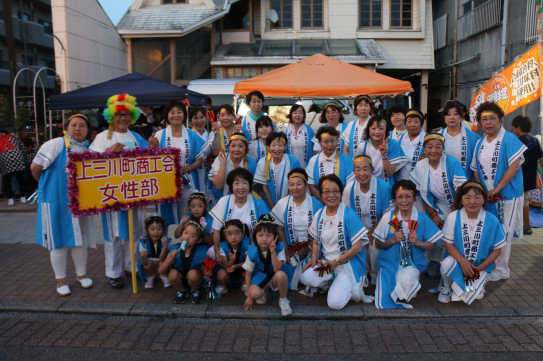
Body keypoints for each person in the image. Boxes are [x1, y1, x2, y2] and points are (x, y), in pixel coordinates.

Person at [89, 94, 157, 289]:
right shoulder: (103, 137)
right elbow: (89, 164)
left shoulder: (137, 136)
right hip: (111, 195)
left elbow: (149, 163)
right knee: (113, 236)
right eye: (119, 115)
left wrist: (153, 148)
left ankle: (132, 267)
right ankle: (113, 273)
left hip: (134, 194)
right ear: (111, 116)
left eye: (127, 115)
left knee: (134, 233)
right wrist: (108, 153)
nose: (123, 118)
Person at [31, 114, 96, 296]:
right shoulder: (55, 144)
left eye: (82, 126)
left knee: (79, 241)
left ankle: (82, 276)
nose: (77, 129)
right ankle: (61, 281)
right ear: (67, 127)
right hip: (56, 201)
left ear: (87, 130)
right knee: (58, 243)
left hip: (81, 202)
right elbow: (35, 168)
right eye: (74, 125)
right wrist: (47, 187)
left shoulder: (88, 148)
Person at [471, 101, 527, 281]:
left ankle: (502, 270)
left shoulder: (509, 139)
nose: (488, 123)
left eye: (492, 119)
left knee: (505, 233)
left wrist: (497, 188)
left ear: (501, 120)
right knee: (492, 232)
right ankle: (492, 266)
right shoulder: (480, 142)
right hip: (488, 197)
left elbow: (514, 167)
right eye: (484, 119)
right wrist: (481, 191)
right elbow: (475, 169)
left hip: (507, 196)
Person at [300, 174, 373, 310]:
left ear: (340, 193)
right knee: (305, 278)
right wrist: (314, 258)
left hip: (346, 266)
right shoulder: (319, 214)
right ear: (321, 195)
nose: (331, 195)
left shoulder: (349, 214)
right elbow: (315, 241)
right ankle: (331, 282)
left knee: (334, 304)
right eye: (326, 192)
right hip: (328, 265)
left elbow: (357, 247)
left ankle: (346, 283)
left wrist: (336, 262)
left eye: (335, 191)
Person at [373, 180, 442, 309]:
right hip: (389, 263)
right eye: (400, 197)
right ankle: (404, 286)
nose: (404, 200)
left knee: (407, 282)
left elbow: (432, 245)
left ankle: (409, 282)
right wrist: (392, 240)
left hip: (412, 263)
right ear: (395, 200)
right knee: (387, 296)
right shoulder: (388, 217)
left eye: (408, 196)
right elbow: (377, 243)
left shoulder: (421, 218)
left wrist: (419, 243)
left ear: (415, 198)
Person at [438, 182, 505, 304]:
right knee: (446, 264)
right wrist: (463, 262)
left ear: (484, 199)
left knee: (470, 295)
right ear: (461, 200)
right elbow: (448, 244)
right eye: (467, 198)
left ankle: (460, 286)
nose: (472, 202)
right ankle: (447, 285)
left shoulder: (492, 220)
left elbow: (497, 250)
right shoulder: (453, 216)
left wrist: (479, 268)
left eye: (477, 197)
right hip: (458, 263)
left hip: (479, 267)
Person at [410, 133, 467, 276]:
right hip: (437, 204)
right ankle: (434, 260)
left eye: (438, 147)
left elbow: (460, 189)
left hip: (457, 204)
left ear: (443, 149)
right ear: (424, 149)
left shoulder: (451, 162)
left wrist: (454, 210)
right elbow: (423, 194)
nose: (433, 150)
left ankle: (454, 261)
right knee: (431, 223)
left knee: (450, 226)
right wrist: (433, 214)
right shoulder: (420, 166)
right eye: (430, 147)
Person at [152, 100, 206, 227]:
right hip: (166, 181)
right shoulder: (160, 135)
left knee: (188, 210)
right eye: (172, 112)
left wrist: (188, 168)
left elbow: (200, 159)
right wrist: (151, 147)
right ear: (167, 115)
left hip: (188, 180)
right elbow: (153, 158)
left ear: (184, 115)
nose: (176, 115)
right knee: (166, 212)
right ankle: (168, 242)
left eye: (179, 112)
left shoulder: (191, 135)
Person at [271, 168, 324, 291]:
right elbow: (279, 228)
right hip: (290, 249)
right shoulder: (283, 203)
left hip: (312, 248)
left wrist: (309, 247)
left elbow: (321, 232)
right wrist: (286, 249)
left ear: (306, 186)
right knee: (278, 270)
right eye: (292, 184)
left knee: (312, 273)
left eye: (299, 184)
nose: (295, 188)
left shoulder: (316, 204)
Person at [343, 155, 392, 286]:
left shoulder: (384, 187)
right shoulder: (349, 188)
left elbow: (387, 214)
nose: (362, 173)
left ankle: (375, 276)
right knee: (355, 247)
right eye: (357, 169)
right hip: (356, 230)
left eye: (365, 169)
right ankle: (360, 275)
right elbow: (347, 214)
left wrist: (371, 233)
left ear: (372, 170)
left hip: (379, 228)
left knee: (373, 246)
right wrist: (360, 235)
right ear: (353, 172)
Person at [210, 168, 270, 266]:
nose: (240, 187)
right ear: (231, 186)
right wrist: (217, 249)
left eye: (244, 183)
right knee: (211, 252)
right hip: (228, 248)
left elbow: (267, 230)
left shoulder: (258, 203)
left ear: (250, 185)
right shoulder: (224, 201)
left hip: (252, 247)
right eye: (236, 183)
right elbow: (216, 230)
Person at [242, 214, 292, 316]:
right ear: (255, 236)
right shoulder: (252, 251)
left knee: (281, 275)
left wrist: (273, 252)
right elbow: (248, 274)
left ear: (275, 237)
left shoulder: (279, 247)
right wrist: (250, 296)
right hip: (260, 275)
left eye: (268, 235)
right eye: (260, 235)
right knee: (254, 293)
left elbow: (277, 268)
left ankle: (283, 300)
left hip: (274, 275)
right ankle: (263, 290)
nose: (264, 239)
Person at [159, 220, 208, 304]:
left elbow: (206, 269)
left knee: (193, 274)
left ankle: (195, 292)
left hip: (195, 279)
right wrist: (169, 259)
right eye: (185, 233)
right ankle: (182, 291)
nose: (187, 237)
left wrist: (207, 271)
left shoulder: (202, 251)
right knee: (172, 274)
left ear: (198, 240)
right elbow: (161, 271)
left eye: (192, 236)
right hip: (180, 278)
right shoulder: (174, 249)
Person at [512, 115, 543, 235]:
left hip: (518, 177)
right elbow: (541, 158)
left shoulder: (517, 141)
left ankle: (526, 226)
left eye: (514, 127)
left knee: (519, 202)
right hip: (530, 178)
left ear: (518, 127)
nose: (514, 130)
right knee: (525, 201)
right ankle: (526, 225)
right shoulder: (535, 140)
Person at [305, 126, 353, 202]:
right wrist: (324, 201)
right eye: (326, 142)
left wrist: (336, 200)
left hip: (341, 202)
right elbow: (311, 185)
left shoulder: (346, 160)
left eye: (332, 141)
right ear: (320, 143)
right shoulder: (314, 160)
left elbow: (350, 186)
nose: (330, 145)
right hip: (320, 201)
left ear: (337, 141)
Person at [254, 132, 302, 208]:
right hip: (268, 204)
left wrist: (285, 205)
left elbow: (296, 184)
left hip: (290, 202)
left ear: (285, 146)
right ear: (268, 147)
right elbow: (265, 188)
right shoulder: (263, 162)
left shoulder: (292, 161)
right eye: (273, 145)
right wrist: (273, 208)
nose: (277, 149)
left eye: (280, 145)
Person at [356, 115, 406, 183]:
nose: (377, 132)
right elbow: (358, 169)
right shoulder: (362, 146)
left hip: (387, 185)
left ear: (386, 130)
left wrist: (384, 155)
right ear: (368, 129)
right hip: (367, 184)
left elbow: (390, 173)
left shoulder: (393, 145)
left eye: (381, 128)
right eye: (373, 128)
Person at [209, 133, 257, 203]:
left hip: (244, 201)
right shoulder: (221, 158)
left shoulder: (252, 163)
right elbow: (218, 186)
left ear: (246, 148)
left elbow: (252, 189)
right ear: (229, 147)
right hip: (221, 201)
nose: (236, 149)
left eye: (240, 146)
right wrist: (223, 163)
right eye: (233, 146)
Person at [439, 100, 481, 179]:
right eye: (448, 114)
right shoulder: (438, 136)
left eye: (455, 114)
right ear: (444, 117)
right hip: (442, 182)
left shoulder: (473, 138)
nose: (452, 117)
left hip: (465, 183)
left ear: (461, 116)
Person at [214, 219, 251, 297]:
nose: (233, 237)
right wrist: (231, 261)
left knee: (249, 272)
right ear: (225, 236)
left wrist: (236, 266)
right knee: (221, 274)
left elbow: (248, 263)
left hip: (241, 270)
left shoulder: (247, 244)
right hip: (228, 272)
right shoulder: (223, 246)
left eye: (237, 233)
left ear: (243, 234)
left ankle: (245, 284)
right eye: (230, 234)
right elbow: (226, 266)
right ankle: (222, 286)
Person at [137, 215, 171, 289]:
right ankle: (150, 277)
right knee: (147, 264)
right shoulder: (144, 242)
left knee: (164, 262)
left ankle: (164, 276)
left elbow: (162, 259)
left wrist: (165, 247)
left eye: (159, 229)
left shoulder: (167, 241)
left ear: (163, 230)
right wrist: (142, 256)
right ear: (147, 230)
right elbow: (144, 262)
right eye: (152, 229)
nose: (156, 232)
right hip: (150, 265)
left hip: (161, 263)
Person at [397, 109, 426, 181]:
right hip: (401, 181)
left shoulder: (427, 139)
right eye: (409, 121)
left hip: (420, 181)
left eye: (416, 121)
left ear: (421, 124)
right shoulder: (400, 138)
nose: (412, 124)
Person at [0, 131, 26, 206]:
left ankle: (10, 199)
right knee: (20, 179)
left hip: (5, 160)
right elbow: (22, 148)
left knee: (7, 181)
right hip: (18, 158)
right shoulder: (14, 137)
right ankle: (23, 197)